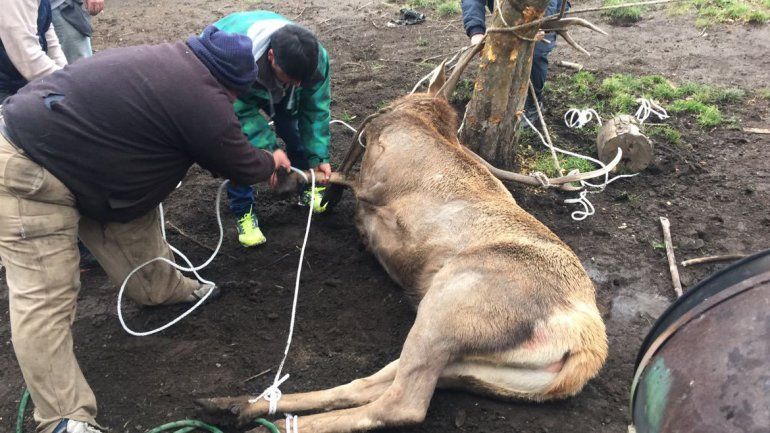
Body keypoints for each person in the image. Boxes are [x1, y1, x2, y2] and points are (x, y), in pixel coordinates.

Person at [0, 26, 290, 433]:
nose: (233, 103)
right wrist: (271, 161)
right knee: (45, 296)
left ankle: (161, 288)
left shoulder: (174, 62)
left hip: (88, 164)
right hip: (29, 169)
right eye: (235, 95)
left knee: (135, 221)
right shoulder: (201, 95)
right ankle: (63, 416)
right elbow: (237, 162)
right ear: (230, 84)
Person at [211, 11, 333, 247]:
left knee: (294, 130)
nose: (298, 84)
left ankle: (305, 185)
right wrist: (269, 150)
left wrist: (318, 156)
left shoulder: (315, 59)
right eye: (292, 78)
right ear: (271, 57)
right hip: (236, 85)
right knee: (236, 150)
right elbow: (239, 113)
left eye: (302, 79)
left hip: (273, 81)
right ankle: (244, 211)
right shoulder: (234, 59)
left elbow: (315, 109)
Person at [461, 0, 568, 121]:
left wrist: (540, 23)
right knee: (500, 50)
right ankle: (497, 100)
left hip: (547, 10)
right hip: (508, 13)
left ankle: (532, 105)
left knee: (536, 54)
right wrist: (476, 31)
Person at [0, 0, 68, 103]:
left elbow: (50, 39)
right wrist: (68, 85)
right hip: (5, 86)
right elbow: (28, 57)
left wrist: (65, 75)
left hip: (19, 79)